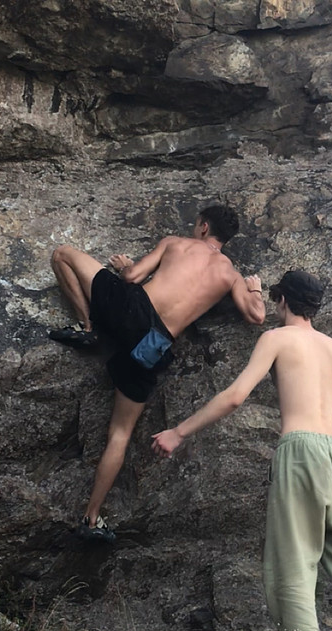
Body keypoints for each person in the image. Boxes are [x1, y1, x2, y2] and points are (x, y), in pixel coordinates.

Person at [151, 271, 332, 631]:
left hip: (300, 450)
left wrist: (178, 431)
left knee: (293, 572)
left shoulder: (277, 339)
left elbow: (235, 396)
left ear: (282, 300)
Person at [48, 205, 266, 542]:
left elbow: (132, 278)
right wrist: (255, 289)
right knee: (120, 434)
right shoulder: (231, 276)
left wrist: (125, 266)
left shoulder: (176, 243)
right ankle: (91, 519)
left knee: (62, 254)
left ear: (203, 227)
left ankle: (87, 327)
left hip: (129, 307)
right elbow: (256, 316)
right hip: (153, 343)